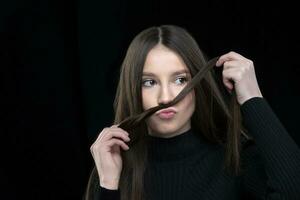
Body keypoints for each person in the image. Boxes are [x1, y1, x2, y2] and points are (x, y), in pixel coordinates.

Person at [84, 25, 300, 200]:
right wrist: (108, 187)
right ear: (133, 89)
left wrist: (252, 97)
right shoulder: (113, 166)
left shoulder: (235, 158)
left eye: (180, 80)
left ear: (198, 85)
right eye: (149, 82)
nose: (166, 97)